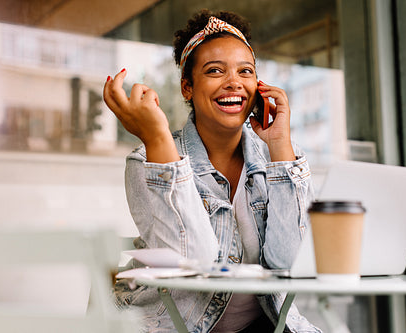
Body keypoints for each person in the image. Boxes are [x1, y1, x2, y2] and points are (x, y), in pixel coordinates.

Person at [103, 9, 321, 333]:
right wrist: (158, 139)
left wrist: (280, 147)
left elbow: (293, 264)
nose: (234, 82)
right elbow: (195, 267)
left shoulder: (280, 157)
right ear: (187, 87)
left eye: (245, 71)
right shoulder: (146, 161)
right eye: (215, 70)